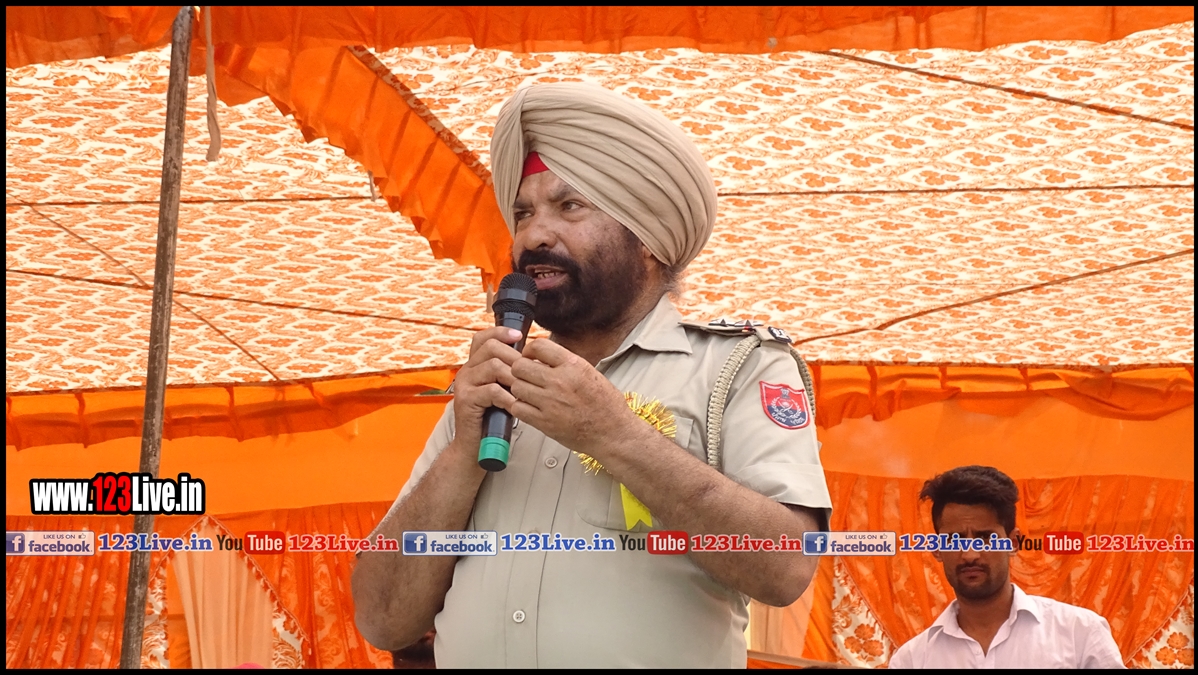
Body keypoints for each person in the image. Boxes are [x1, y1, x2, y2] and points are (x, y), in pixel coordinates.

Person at [351, 82, 832, 668]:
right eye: (524, 212)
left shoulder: (736, 366)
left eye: (570, 206)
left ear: (649, 238)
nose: (533, 235)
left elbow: (786, 567)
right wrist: (461, 453)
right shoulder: (492, 383)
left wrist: (614, 434)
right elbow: (382, 621)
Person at [888, 465, 1125, 669]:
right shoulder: (912, 660)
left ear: (1013, 542)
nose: (970, 555)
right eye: (954, 540)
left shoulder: (1079, 634)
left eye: (985, 538)